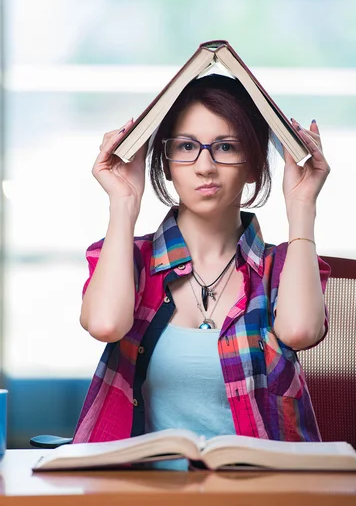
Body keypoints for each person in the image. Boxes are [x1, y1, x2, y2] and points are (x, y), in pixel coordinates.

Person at [74, 74, 331, 454]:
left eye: (226, 147)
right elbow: (105, 324)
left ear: (255, 166)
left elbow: (300, 332)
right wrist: (123, 204)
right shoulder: (131, 260)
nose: (205, 166)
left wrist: (302, 206)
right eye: (186, 146)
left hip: (261, 489)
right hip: (142, 489)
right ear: (165, 163)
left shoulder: (282, 266)